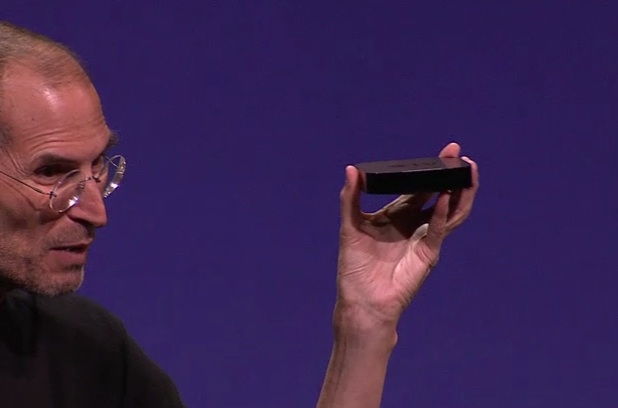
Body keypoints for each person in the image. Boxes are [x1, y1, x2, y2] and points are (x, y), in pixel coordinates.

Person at [0, 21, 479, 408]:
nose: (95, 212)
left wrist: (365, 323)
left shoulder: (85, 355)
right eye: (52, 173)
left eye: (97, 168)